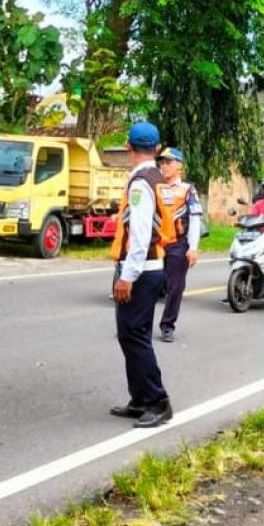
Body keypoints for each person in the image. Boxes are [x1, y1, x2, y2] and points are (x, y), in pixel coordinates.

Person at [109, 121, 176, 429]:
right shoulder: (156, 177)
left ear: (128, 147)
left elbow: (138, 234)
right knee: (130, 335)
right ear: (158, 149)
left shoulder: (140, 183)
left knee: (134, 336)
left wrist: (127, 276)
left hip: (142, 268)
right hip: (151, 267)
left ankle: (157, 400)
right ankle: (139, 398)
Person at [155, 147, 202, 343]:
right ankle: (136, 325)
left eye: (169, 162)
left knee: (175, 287)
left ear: (179, 166)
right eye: (162, 162)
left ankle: (167, 326)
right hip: (155, 244)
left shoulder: (187, 190)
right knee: (145, 284)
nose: (164, 166)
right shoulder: (154, 185)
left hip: (177, 244)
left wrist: (193, 248)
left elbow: (195, 218)